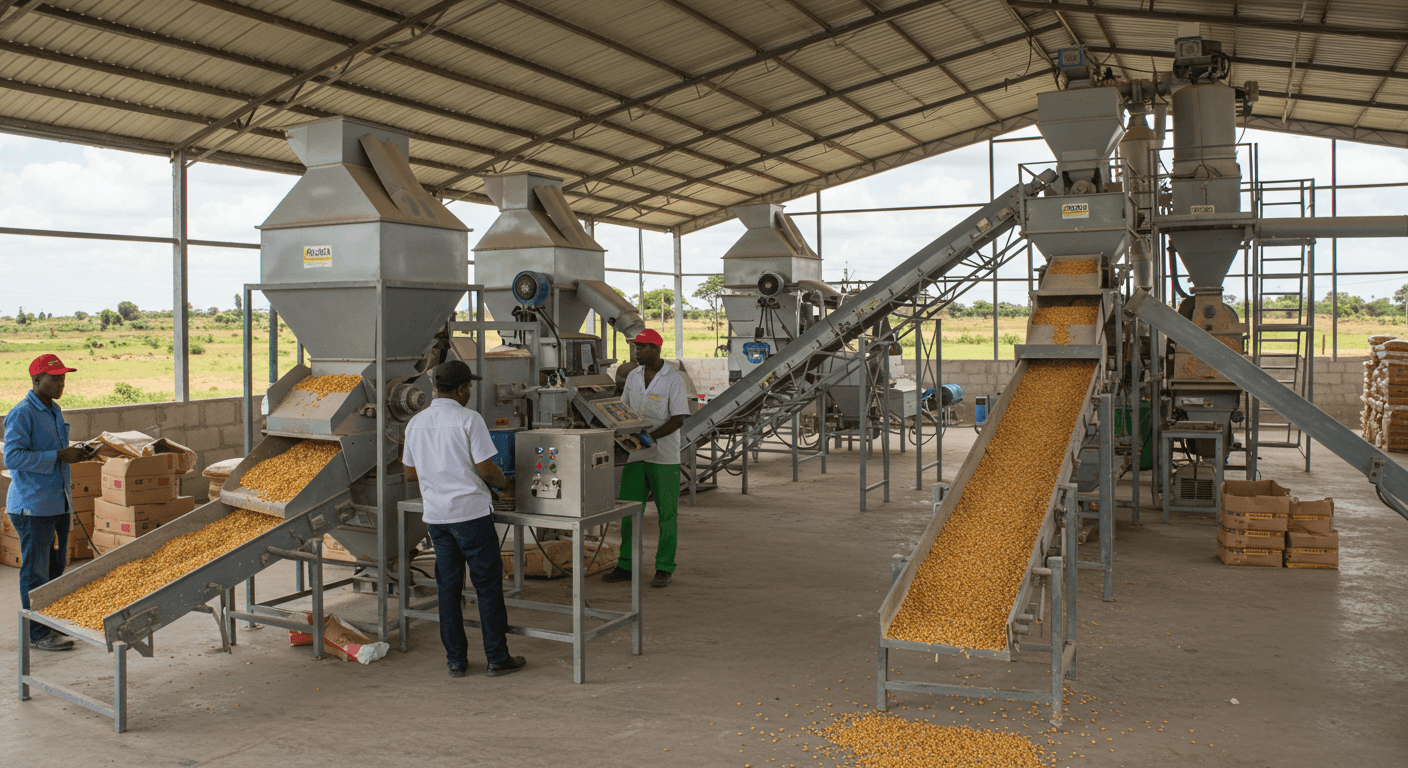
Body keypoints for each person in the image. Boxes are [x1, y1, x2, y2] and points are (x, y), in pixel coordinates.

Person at [402, 360, 526, 679]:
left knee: (448, 589)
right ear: (460, 389)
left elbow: (411, 472)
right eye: (468, 386)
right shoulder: (469, 419)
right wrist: (506, 484)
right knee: (486, 587)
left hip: (438, 519)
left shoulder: (416, 423)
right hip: (471, 516)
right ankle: (497, 658)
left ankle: (456, 661)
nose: (469, 391)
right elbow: (487, 470)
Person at [6, 354, 95, 652]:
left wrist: (76, 452)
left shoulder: (54, 410)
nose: (60, 383)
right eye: (54, 378)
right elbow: (12, 457)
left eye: (63, 378)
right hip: (33, 505)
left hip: (60, 501)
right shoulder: (22, 414)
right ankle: (37, 634)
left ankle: (51, 624)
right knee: (35, 571)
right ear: (36, 380)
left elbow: (57, 451)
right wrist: (59, 456)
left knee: (57, 566)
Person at [602, 329, 690, 589]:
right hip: (636, 455)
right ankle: (626, 564)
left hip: (664, 457)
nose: (637, 352)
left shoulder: (673, 379)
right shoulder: (633, 376)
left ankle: (664, 567)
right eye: (635, 347)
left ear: (656, 348)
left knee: (666, 515)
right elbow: (624, 409)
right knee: (630, 512)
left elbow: (678, 418)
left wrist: (651, 437)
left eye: (642, 347)